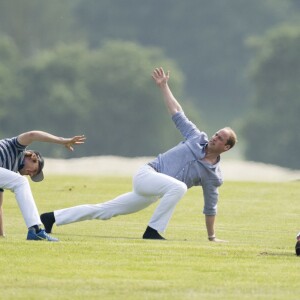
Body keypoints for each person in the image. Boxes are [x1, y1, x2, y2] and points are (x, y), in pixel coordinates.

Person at [41, 67, 237, 242]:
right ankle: (153, 232)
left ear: (226, 147)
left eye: (220, 139)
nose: (214, 138)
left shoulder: (213, 176)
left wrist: (212, 237)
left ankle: (51, 217)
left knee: (105, 211)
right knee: (179, 188)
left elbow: (210, 206)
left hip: (153, 192)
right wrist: (163, 87)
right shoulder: (196, 137)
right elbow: (177, 112)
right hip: (147, 174)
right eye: (216, 134)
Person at [0, 131, 85, 241]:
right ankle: (35, 230)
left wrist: (1, 235)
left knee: (20, 182)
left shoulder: (7, 173)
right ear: (33, 157)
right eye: (34, 170)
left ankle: (35, 230)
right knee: (22, 182)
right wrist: (62, 140)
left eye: (33, 174)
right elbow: (33, 135)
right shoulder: (17, 147)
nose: (30, 174)